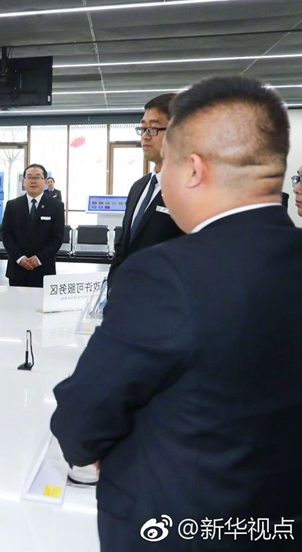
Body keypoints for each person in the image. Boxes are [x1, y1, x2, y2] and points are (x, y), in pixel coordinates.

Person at [51, 75, 302, 552]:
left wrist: (91, 449)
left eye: (165, 162)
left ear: (193, 169)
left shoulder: (166, 274)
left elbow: (85, 416)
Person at [108, 93, 183, 285]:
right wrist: (114, 285)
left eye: (153, 128)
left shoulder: (192, 191)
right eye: (142, 128)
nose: (145, 136)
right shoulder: (139, 187)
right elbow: (123, 245)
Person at [0, 163, 65, 288]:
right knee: (15, 301)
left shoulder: (56, 206)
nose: (33, 181)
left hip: (44, 269)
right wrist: (20, 258)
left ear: (45, 181)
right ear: (24, 181)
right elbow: (6, 234)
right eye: (29, 177)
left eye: (37, 177)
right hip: (17, 269)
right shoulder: (12, 205)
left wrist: (38, 259)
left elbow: (57, 238)